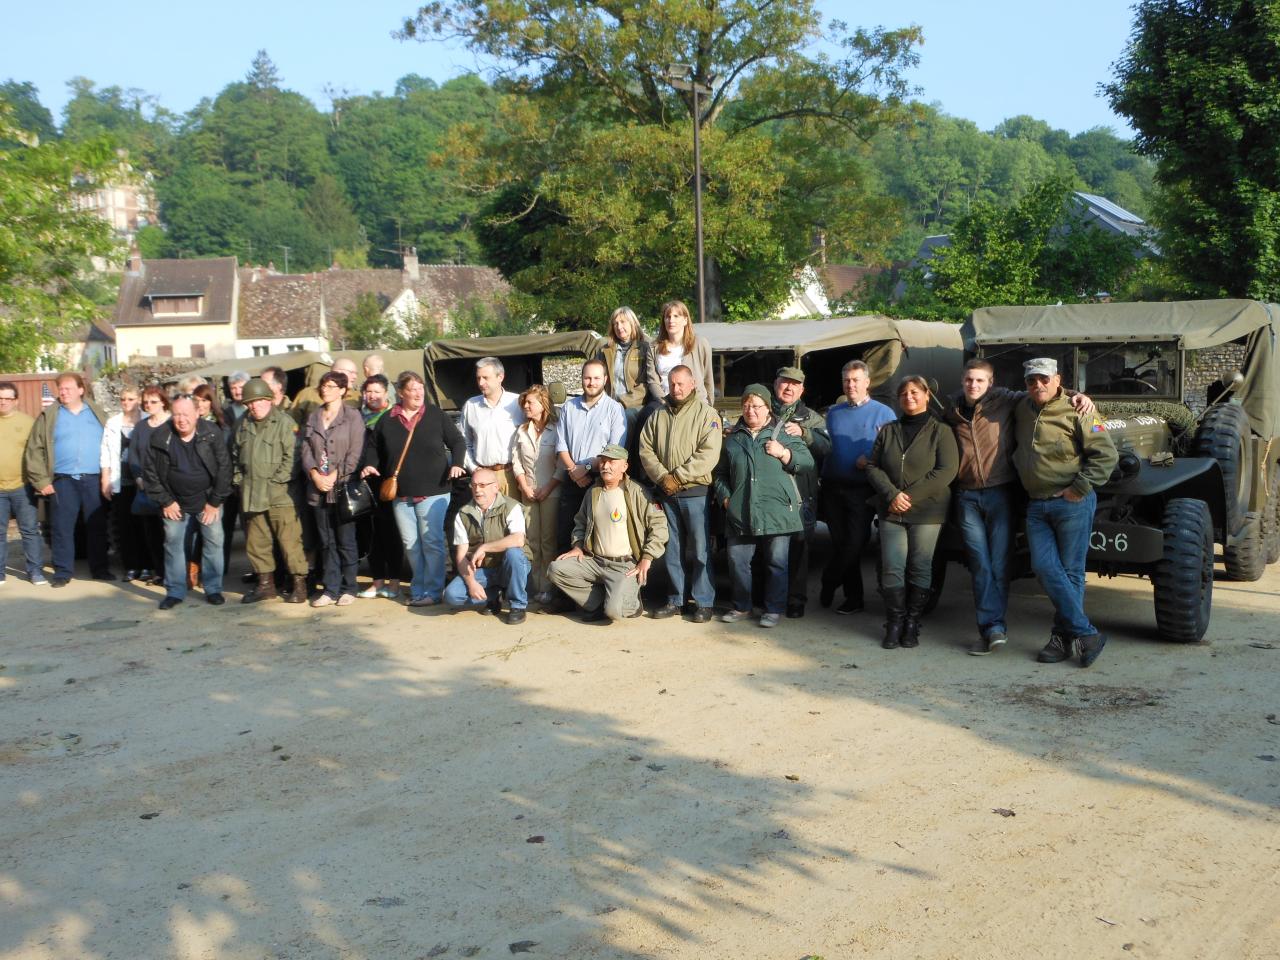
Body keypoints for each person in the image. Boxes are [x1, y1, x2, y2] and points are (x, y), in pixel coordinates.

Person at [946, 359, 1095, 656]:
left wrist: (1080, 395)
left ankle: (1070, 635)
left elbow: (1102, 451)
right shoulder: (951, 408)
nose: (973, 385)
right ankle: (992, 629)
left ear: (991, 382)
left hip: (1019, 494)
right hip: (976, 496)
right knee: (981, 564)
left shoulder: (1009, 400)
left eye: (979, 380)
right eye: (968, 380)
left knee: (1051, 569)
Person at [1013, 357, 1117, 668]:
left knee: (1071, 572)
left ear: (1057, 380)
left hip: (1071, 502)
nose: (1038, 385)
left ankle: (1061, 638)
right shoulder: (1021, 406)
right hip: (1036, 503)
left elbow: (1106, 455)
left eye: (1044, 379)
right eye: (1032, 380)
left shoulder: (1081, 410)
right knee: (1044, 568)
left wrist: (1078, 488)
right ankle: (1086, 634)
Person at [865, 376, 959, 650]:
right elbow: (872, 466)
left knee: (920, 565)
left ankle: (912, 623)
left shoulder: (941, 431)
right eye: (904, 393)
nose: (909, 397)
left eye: (915, 392)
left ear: (927, 395)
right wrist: (892, 495)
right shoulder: (888, 430)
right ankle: (894, 622)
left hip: (928, 510)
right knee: (892, 565)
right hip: (891, 509)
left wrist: (910, 496)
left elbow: (947, 470)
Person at [363, 371, 466, 607]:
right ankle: (418, 588)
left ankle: (433, 590)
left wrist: (457, 464)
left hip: (434, 490)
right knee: (411, 544)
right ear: (401, 393)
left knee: (432, 542)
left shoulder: (435, 415)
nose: (419, 393)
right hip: (402, 493)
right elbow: (373, 447)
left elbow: (458, 441)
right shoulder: (387, 419)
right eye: (413, 389)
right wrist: (369, 465)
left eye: (421, 388)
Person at [715, 384, 813, 628]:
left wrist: (784, 453)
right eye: (746, 406)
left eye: (757, 406)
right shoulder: (733, 438)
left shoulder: (783, 433)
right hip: (741, 510)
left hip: (777, 509)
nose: (751, 411)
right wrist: (726, 498)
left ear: (768, 408)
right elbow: (719, 475)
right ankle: (742, 606)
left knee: (776, 563)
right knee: (737, 561)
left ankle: (772, 609)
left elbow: (807, 463)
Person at [637, 364, 722, 622]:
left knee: (699, 550)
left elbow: (708, 455)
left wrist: (678, 477)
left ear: (693, 383)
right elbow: (645, 449)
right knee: (672, 550)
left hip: (695, 493)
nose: (676, 388)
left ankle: (704, 602)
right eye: (672, 384)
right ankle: (676, 600)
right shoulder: (658, 415)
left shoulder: (708, 415)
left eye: (681, 383)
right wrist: (663, 477)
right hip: (667, 492)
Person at [548, 444, 668, 622]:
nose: (605, 466)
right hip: (596, 562)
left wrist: (647, 557)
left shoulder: (638, 492)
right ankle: (596, 604)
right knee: (556, 569)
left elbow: (659, 525)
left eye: (612, 462)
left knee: (613, 614)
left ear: (624, 466)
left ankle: (628, 603)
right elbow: (580, 522)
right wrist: (578, 546)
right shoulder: (593, 492)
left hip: (625, 566)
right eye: (603, 461)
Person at [820, 360, 896, 615]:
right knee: (841, 543)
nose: (850, 385)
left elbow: (893, 453)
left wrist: (872, 461)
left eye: (855, 380)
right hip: (832, 487)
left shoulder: (883, 413)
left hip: (862, 490)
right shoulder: (834, 413)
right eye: (846, 381)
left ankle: (829, 580)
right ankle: (854, 598)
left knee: (855, 543)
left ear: (867, 382)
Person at [23, 372, 112, 586]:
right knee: (62, 527)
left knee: (96, 525)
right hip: (63, 480)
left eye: (68, 388)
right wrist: (41, 481)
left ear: (81, 390)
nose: (63, 392)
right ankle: (63, 572)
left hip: (94, 478)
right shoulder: (49, 416)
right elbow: (34, 450)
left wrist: (109, 477)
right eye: (61, 389)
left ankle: (100, 569)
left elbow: (111, 445)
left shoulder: (98, 414)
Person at [143, 396, 231, 609]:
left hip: (207, 500)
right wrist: (166, 502)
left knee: (214, 541)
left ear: (197, 413)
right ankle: (174, 591)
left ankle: (213, 589)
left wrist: (214, 502)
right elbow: (150, 473)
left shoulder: (211, 433)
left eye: (186, 414)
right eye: (177, 414)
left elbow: (224, 468)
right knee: (173, 544)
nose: (181, 420)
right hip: (174, 502)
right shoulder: (159, 436)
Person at [233, 378, 309, 604]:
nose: (254, 406)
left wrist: (276, 482)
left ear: (268, 400)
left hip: (280, 495)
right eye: (249, 403)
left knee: (290, 543)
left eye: (258, 401)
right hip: (251, 494)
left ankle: (299, 586)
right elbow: (236, 456)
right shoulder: (243, 425)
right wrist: (238, 479)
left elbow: (294, 457)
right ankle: (266, 585)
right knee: (257, 543)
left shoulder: (285, 423)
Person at [767, 367, 830, 618]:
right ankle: (769, 598)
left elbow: (827, 449)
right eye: (784, 383)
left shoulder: (811, 418)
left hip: (801, 493)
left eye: (795, 384)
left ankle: (795, 599)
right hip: (769, 494)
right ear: (775, 384)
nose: (789, 388)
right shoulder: (761, 410)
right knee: (768, 549)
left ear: (802, 389)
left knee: (799, 549)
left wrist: (806, 434)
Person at [301, 371, 367, 606]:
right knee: (326, 541)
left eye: (331, 386)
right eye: (323, 385)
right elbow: (306, 449)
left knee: (345, 540)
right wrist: (315, 474)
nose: (325, 390)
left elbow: (356, 452)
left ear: (342, 390)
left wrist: (336, 475)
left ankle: (349, 587)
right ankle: (330, 589)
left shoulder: (353, 417)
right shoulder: (314, 416)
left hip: (342, 488)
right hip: (317, 489)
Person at [555, 359, 627, 552]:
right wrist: (573, 470)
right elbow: (561, 445)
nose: (591, 382)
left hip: (601, 481)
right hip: (572, 479)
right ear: (581, 379)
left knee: (596, 538)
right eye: (587, 377)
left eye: (596, 378)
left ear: (605, 380)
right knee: (566, 536)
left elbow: (614, 451)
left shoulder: (615, 409)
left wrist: (584, 468)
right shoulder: (569, 408)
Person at [443, 467, 530, 624]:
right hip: (484, 570)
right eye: (474, 485)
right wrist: (472, 584)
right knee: (451, 596)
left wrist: (484, 547)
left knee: (514, 554)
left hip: (510, 566)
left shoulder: (512, 507)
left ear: (495, 487)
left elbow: (518, 540)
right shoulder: (463, 513)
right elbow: (461, 556)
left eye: (483, 485)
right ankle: (492, 596)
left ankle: (517, 605)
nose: (477, 490)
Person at [510, 384, 562, 606]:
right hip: (529, 492)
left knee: (548, 541)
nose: (526, 407)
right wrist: (524, 486)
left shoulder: (557, 429)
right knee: (531, 541)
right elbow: (516, 461)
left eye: (530, 403)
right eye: (524, 403)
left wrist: (548, 487)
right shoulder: (521, 431)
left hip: (552, 492)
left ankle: (549, 587)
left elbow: (562, 463)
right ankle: (535, 585)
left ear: (543, 404)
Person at [356, 374, 403, 599]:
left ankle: (394, 582)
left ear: (386, 394)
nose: (372, 396)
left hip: (388, 483)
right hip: (365, 483)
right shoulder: (358, 418)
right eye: (369, 391)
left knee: (391, 533)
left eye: (377, 391)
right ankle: (376, 581)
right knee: (371, 534)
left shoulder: (394, 416)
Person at [0, 381, 45, 584]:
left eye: (8, 398)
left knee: (29, 530)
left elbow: (38, 453)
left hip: (22, 485)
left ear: (15, 401)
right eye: (0, 399)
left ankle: (35, 571)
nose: (3, 402)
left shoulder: (28, 423)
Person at [100, 386, 145, 581]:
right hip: (122, 481)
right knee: (125, 526)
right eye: (123, 399)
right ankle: (131, 566)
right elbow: (106, 453)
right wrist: (105, 478)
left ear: (139, 399)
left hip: (143, 481)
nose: (127, 403)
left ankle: (147, 566)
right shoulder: (113, 422)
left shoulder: (146, 420)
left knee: (144, 524)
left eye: (131, 399)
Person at [460, 357, 524, 496]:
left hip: (512, 475)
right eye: (478, 378)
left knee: (513, 516)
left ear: (500, 377)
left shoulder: (517, 402)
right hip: (482, 477)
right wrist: (474, 468)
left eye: (485, 378)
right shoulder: (471, 406)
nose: (481, 383)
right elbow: (464, 441)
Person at [128, 386, 171, 584]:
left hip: (170, 488)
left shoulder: (173, 423)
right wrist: (138, 476)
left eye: (153, 401)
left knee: (171, 535)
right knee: (152, 534)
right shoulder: (141, 427)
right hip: (147, 488)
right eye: (146, 402)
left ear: (163, 401)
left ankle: (176, 573)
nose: (149, 405)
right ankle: (159, 572)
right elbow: (134, 455)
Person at [644, 299, 714, 404]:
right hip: (664, 402)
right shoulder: (654, 348)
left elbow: (708, 378)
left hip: (695, 403)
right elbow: (653, 381)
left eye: (676, 316)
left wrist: (709, 405)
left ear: (685, 320)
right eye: (668, 317)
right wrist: (665, 402)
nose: (671, 320)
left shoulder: (700, 343)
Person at [599, 306, 650, 423]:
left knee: (625, 417)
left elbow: (646, 384)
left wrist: (622, 402)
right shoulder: (605, 350)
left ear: (633, 323)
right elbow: (596, 378)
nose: (619, 326)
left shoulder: (645, 348)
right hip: (608, 403)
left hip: (635, 404)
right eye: (615, 323)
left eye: (622, 322)